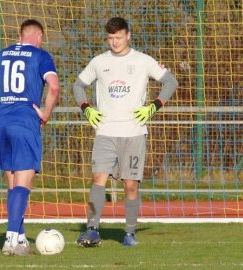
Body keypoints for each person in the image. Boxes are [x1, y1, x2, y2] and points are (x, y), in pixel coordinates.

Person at [73, 17, 178, 247]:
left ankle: (130, 232)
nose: (114, 42)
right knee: (98, 178)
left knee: (130, 184)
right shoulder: (99, 62)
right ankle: (92, 229)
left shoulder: (143, 60)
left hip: (133, 133)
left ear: (128, 35)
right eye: (110, 38)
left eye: (118, 37)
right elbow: (78, 86)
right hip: (105, 132)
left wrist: (154, 106)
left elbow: (171, 82)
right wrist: (86, 109)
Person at [0, 19, 59, 256]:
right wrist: (46, 114)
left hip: (3, 124)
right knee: (24, 180)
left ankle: (19, 238)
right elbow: (53, 87)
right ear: (39, 36)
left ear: (20, 35)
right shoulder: (41, 56)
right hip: (25, 123)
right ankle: (11, 239)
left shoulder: (2, 55)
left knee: (12, 182)